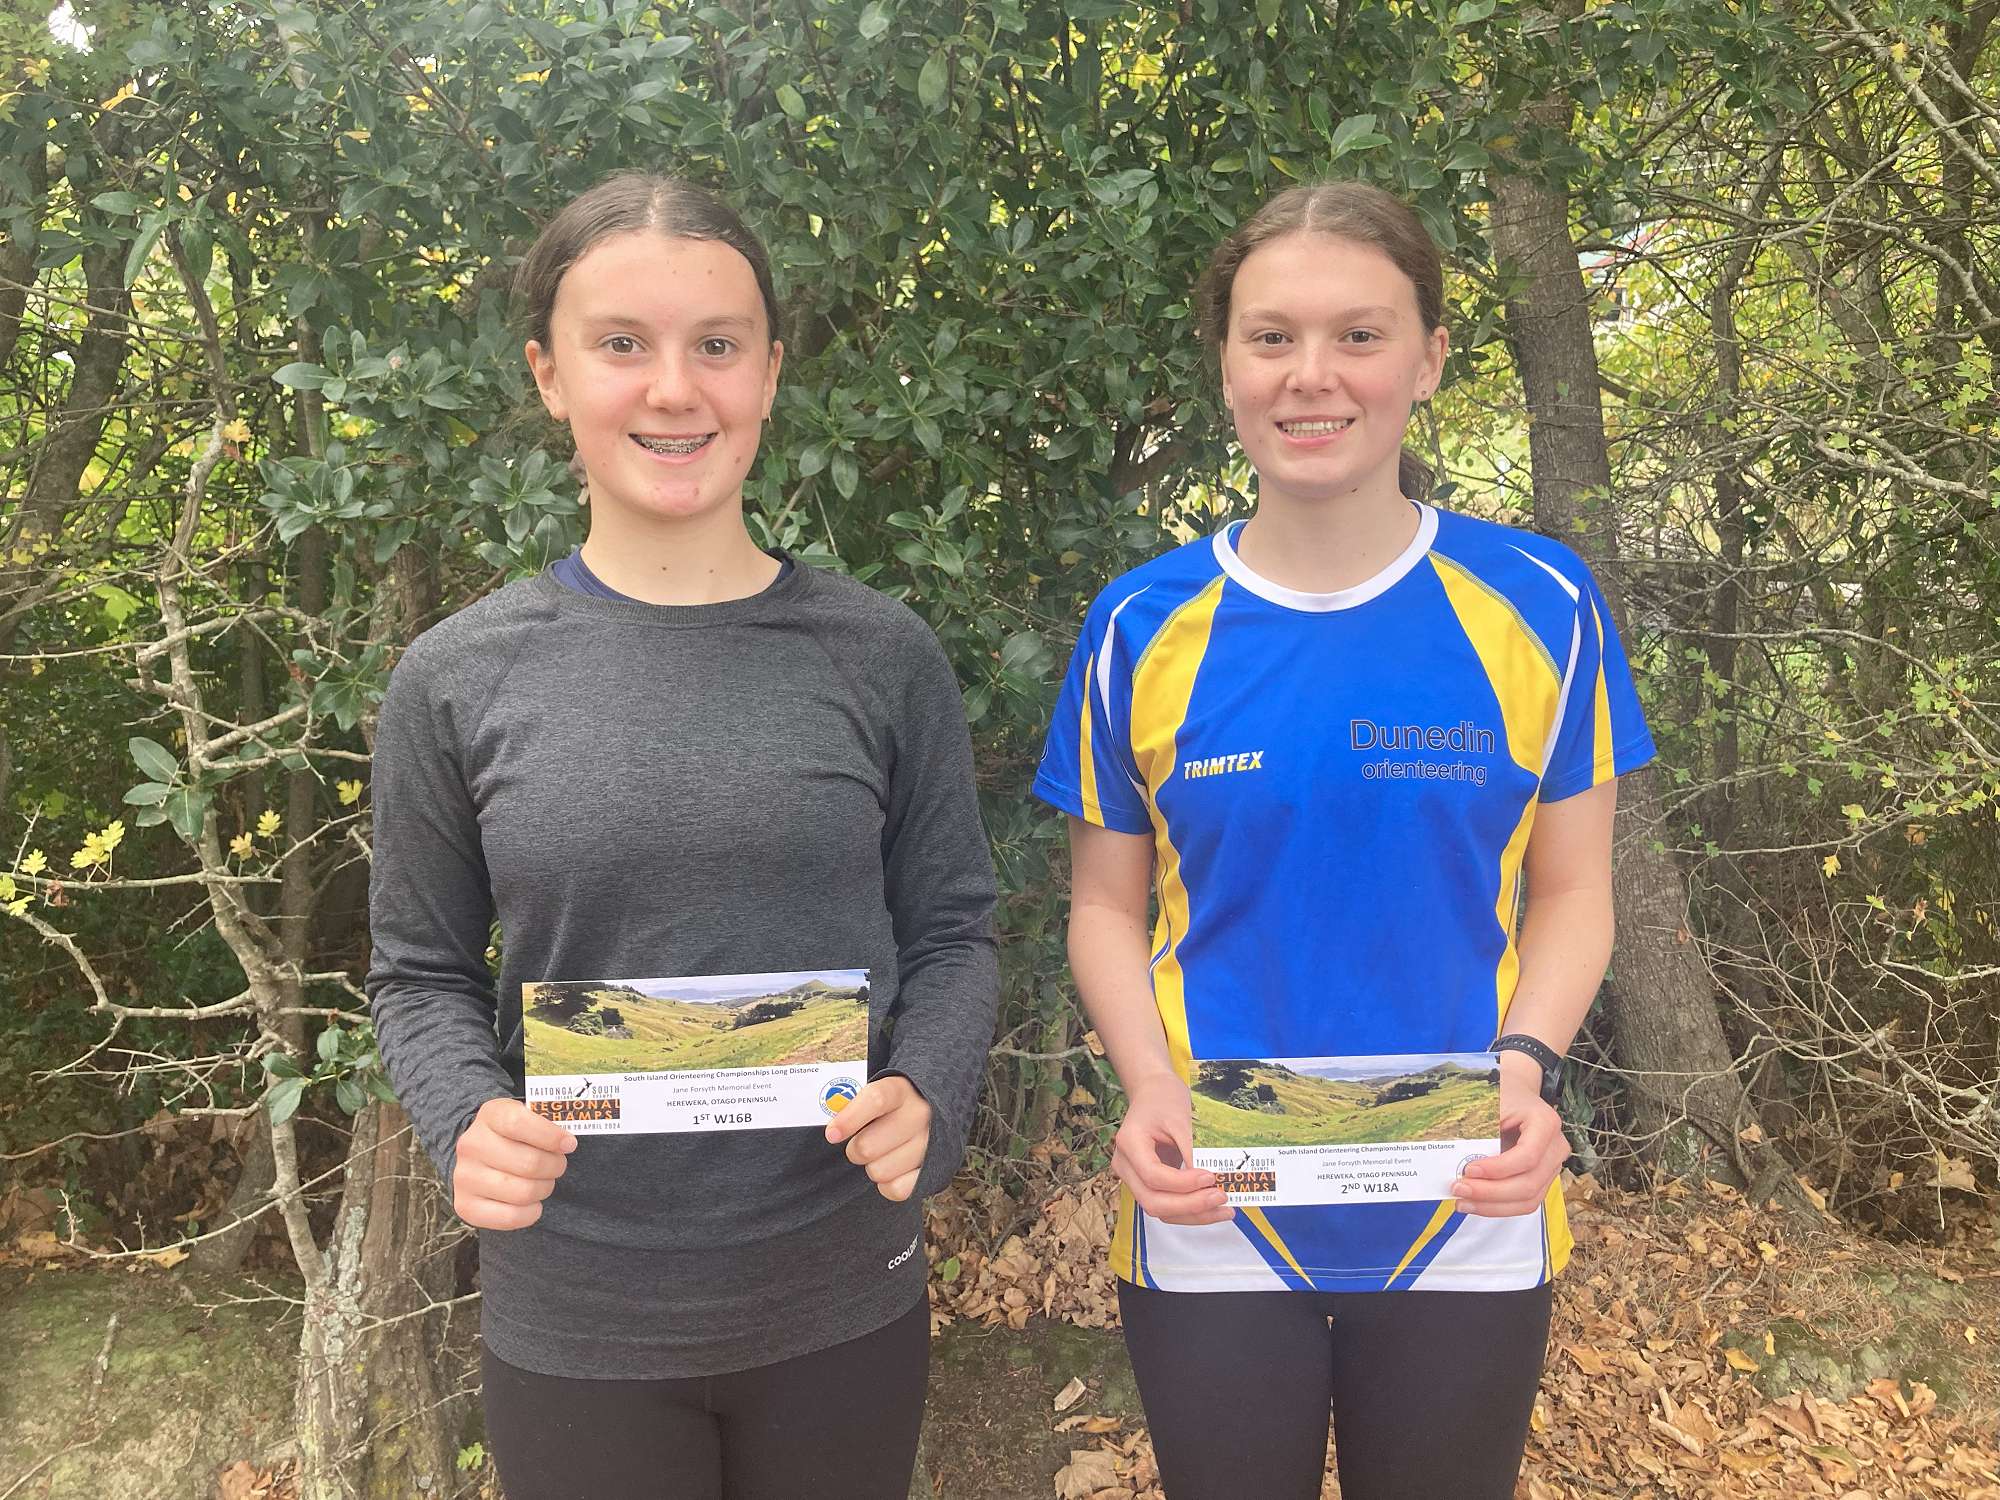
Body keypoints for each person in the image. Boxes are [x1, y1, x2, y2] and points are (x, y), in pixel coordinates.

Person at [366, 172, 998, 1500]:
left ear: (768, 372)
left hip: (842, 1296)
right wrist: (466, 1116)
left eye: (716, 344)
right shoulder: (456, 678)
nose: (674, 389)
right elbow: (418, 973)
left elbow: (953, 934)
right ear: (550, 375)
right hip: (576, 1317)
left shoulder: (883, 657)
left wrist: (932, 1093)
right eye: (621, 344)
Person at [1033, 181, 1656, 1500]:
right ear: (1226, 365)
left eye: (1359, 335)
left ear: (1428, 359)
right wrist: (1146, 1086)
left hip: (1464, 1199)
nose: (1311, 375)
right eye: (1271, 337)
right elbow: (1102, 908)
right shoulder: (1139, 625)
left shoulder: (1543, 603)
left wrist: (1530, 1068)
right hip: (1216, 1200)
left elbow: (1574, 891)